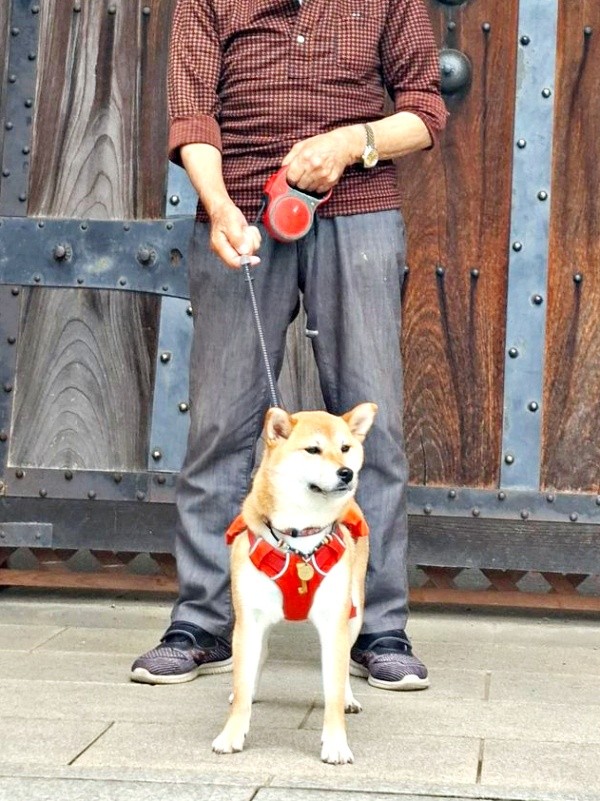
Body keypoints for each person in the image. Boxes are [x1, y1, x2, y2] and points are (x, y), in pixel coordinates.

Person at [131, 0, 447, 690]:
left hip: (360, 213)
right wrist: (218, 209)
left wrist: (352, 142)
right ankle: (203, 621)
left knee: (376, 428)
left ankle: (381, 624)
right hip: (240, 210)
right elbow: (193, 118)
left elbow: (423, 110)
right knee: (222, 423)